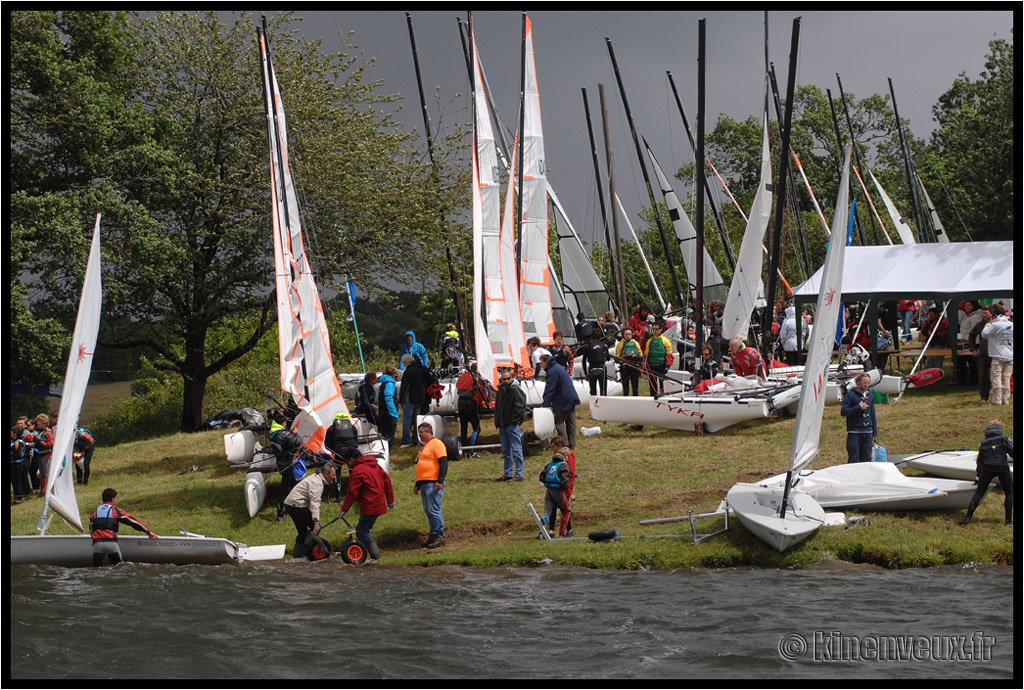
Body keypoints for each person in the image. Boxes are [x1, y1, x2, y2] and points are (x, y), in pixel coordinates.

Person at [338, 447, 394, 560]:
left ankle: (375, 556)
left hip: (370, 505)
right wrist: (390, 501)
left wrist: (344, 510)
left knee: (362, 530)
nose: (348, 465)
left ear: (352, 459)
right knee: (362, 529)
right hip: (379, 503)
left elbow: (352, 492)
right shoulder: (375, 466)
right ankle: (364, 554)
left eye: (348, 462)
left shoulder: (358, 470)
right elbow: (387, 480)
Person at [959, 421, 1013, 526]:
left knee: (979, 493)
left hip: (987, 468)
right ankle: (1008, 520)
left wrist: (977, 477)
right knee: (1009, 493)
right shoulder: (1004, 439)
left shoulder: (984, 443)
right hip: (1002, 467)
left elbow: (979, 461)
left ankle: (967, 518)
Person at [89, 488, 159, 566]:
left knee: (97, 571)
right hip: (111, 544)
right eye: (116, 498)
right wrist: (148, 531)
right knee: (119, 569)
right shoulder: (115, 511)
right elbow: (133, 521)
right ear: (112, 498)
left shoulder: (95, 512)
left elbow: (91, 527)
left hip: (97, 545)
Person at [283, 461, 337, 559]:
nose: (334, 477)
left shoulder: (316, 478)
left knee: (302, 532)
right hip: (296, 505)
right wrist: (316, 522)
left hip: (290, 504)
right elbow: (314, 503)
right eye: (333, 475)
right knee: (316, 528)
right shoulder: (317, 484)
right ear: (326, 474)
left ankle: (298, 556)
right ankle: (307, 552)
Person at [413, 422, 448, 548]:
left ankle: (439, 535)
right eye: (419, 432)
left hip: (433, 482)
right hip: (425, 483)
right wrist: (418, 484)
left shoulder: (436, 444)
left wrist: (440, 480)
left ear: (429, 431)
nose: (420, 435)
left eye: (422, 432)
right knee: (428, 510)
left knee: (433, 509)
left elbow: (443, 462)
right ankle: (433, 534)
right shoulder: (425, 446)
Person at [540, 352, 581, 451]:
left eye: (541, 363)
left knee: (559, 421)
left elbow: (550, 388)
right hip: (571, 397)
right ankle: (572, 444)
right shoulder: (558, 367)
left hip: (563, 399)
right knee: (571, 421)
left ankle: (564, 444)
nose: (541, 365)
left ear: (546, 362)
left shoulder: (552, 371)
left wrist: (544, 404)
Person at [493, 369, 527, 481]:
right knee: (506, 450)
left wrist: (515, 421)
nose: (506, 380)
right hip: (503, 424)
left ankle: (519, 474)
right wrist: (497, 420)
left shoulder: (515, 389)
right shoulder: (500, 390)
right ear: (501, 379)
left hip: (511, 424)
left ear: (511, 378)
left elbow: (520, 406)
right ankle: (507, 473)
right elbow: (498, 407)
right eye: (504, 379)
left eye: (508, 378)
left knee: (516, 449)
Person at [538, 436, 575, 538]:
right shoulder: (563, 463)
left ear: (559, 446)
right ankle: (561, 532)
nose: (552, 449)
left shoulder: (552, 462)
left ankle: (543, 531)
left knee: (547, 511)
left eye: (552, 446)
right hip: (560, 490)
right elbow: (566, 478)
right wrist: (569, 493)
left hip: (550, 490)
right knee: (566, 511)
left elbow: (542, 476)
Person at [840, 372, 878, 463]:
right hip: (855, 433)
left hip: (867, 432)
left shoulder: (870, 396)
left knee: (866, 459)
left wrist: (874, 432)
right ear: (858, 382)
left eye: (868, 383)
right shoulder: (851, 395)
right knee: (854, 458)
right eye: (864, 382)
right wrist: (858, 407)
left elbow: (872, 414)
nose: (866, 385)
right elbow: (844, 411)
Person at [982, 305, 1013, 406]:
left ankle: (997, 400)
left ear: (994, 314)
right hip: (1010, 354)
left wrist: (989, 324)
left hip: (997, 355)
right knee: (1006, 378)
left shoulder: (995, 325)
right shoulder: (1011, 324)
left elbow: (984, 334)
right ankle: (1006, 399)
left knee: (996, 377)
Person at [398, 354, 429, 448]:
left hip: (410, 399)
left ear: (407, 362)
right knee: (417, 421)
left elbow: (404, 386)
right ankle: (416, 439)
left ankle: (405, 441)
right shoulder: (419, 370)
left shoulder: (408, 371)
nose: (403, 364)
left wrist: (400, 400)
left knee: (407, 421)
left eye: (404, 363)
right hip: (420, 399)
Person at [456, 363, 485, 457]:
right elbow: (480, 392)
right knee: (476, 428)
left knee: (463, 429)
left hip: (460, 403)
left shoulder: (462, 376)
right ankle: (472, 451)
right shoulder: (475, 377)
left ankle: (463, 451)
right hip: (470, 404)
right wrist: (481, 403)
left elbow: (457, 387)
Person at [970, 305, 994, 403]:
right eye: (982, 313)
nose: (983, 315)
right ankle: (984, 397)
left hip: (995, 353)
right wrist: (973, 349)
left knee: (996, 376)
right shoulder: (980, 325)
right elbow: (971, 335)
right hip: (983, 354)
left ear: (991, 313)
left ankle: (997, 396)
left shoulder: (996, 324)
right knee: (982, 376)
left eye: (985, 313)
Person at [956, 301, 983, 385]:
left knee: (973, 363)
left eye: (969, 305)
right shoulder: (965, 316)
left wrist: (965, 338)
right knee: (963, 361)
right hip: (965, 343)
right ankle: (963, 380)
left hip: (973, 343)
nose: (967, 307)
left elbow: (976, 332)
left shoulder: (975, 317)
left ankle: (975, 381)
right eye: (965, 305)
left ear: (973, 306)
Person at [643, 322, 674, 396]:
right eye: (653, 329)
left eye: (657, 329)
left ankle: (664, 397)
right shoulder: (649, 341)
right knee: (652, 385)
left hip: (661, 365)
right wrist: (645, 365)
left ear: (661, 330)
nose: (655, 331)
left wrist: (667, 366)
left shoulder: (665, 340)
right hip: (651, 365)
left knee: (662, 384)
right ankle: (653, 397)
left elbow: (669, 354)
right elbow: (646, 354)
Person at [580, 329, 611, 397]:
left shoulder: (588, 346)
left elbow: (583, 360)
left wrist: (586, 374)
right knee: (603, 391)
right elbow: (608, 358)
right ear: (600, 337)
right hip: (602, 368)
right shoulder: (604, 346)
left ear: (592, 336)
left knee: (593, 392)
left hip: (592, 368)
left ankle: (594, 406)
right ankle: (603, 405)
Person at [615, 328, 643, 396]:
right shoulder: (620, 344)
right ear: (623, 335)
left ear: (632, 335)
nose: (628, 336)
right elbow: (617, 357)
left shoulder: (636, 343)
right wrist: (623, 359)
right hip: (625, 368)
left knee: (635, 386)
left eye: (629, 334)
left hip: (634, 367)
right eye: (626, 334)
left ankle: (636, 399)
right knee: (625, 387)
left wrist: (637, 358)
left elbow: (641, 355)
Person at [377, 365, 400, 446]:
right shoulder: (389, 384)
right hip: (388, 414)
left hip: (383, 412)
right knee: (389, 436)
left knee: (384, 435)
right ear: (393, 374)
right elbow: (388, 398)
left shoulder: (383, 383)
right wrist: (394, 413)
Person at [31, 413, 53, 496]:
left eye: (39, 424)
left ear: (44, 423)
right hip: (40, 454)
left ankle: (51, 490)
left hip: (46, 454)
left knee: (47, 472)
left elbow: (51, 442)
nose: (38, 425)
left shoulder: (48, 431)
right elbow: (37, 443)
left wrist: (43, 443)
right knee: (41, 473)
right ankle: (43, 490)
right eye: (37, 424)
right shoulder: (39, 432)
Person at [10, 425, 31, 503]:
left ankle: (19, 497)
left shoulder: (19, 442)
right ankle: (17, 495)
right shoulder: (13, 441)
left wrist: (11, 454)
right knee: (14, 481)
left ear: (15, 433)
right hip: (13, 463)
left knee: (17, 480)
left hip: (17, 464)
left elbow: (18, 454)